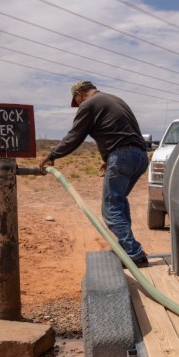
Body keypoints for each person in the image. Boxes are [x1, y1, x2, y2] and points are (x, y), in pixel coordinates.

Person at [39, 80, 151, 267]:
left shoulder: (89, 104)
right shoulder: (114, 99)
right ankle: (126, 248)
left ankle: (134, 253)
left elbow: (75, 136)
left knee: (111, 208)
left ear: (79, 95)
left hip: (122, 156)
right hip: (139, 156)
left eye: (77, 102)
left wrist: (52, 155)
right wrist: (109, 158)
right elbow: (122, 131)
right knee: (119, 201)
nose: (78, 106)